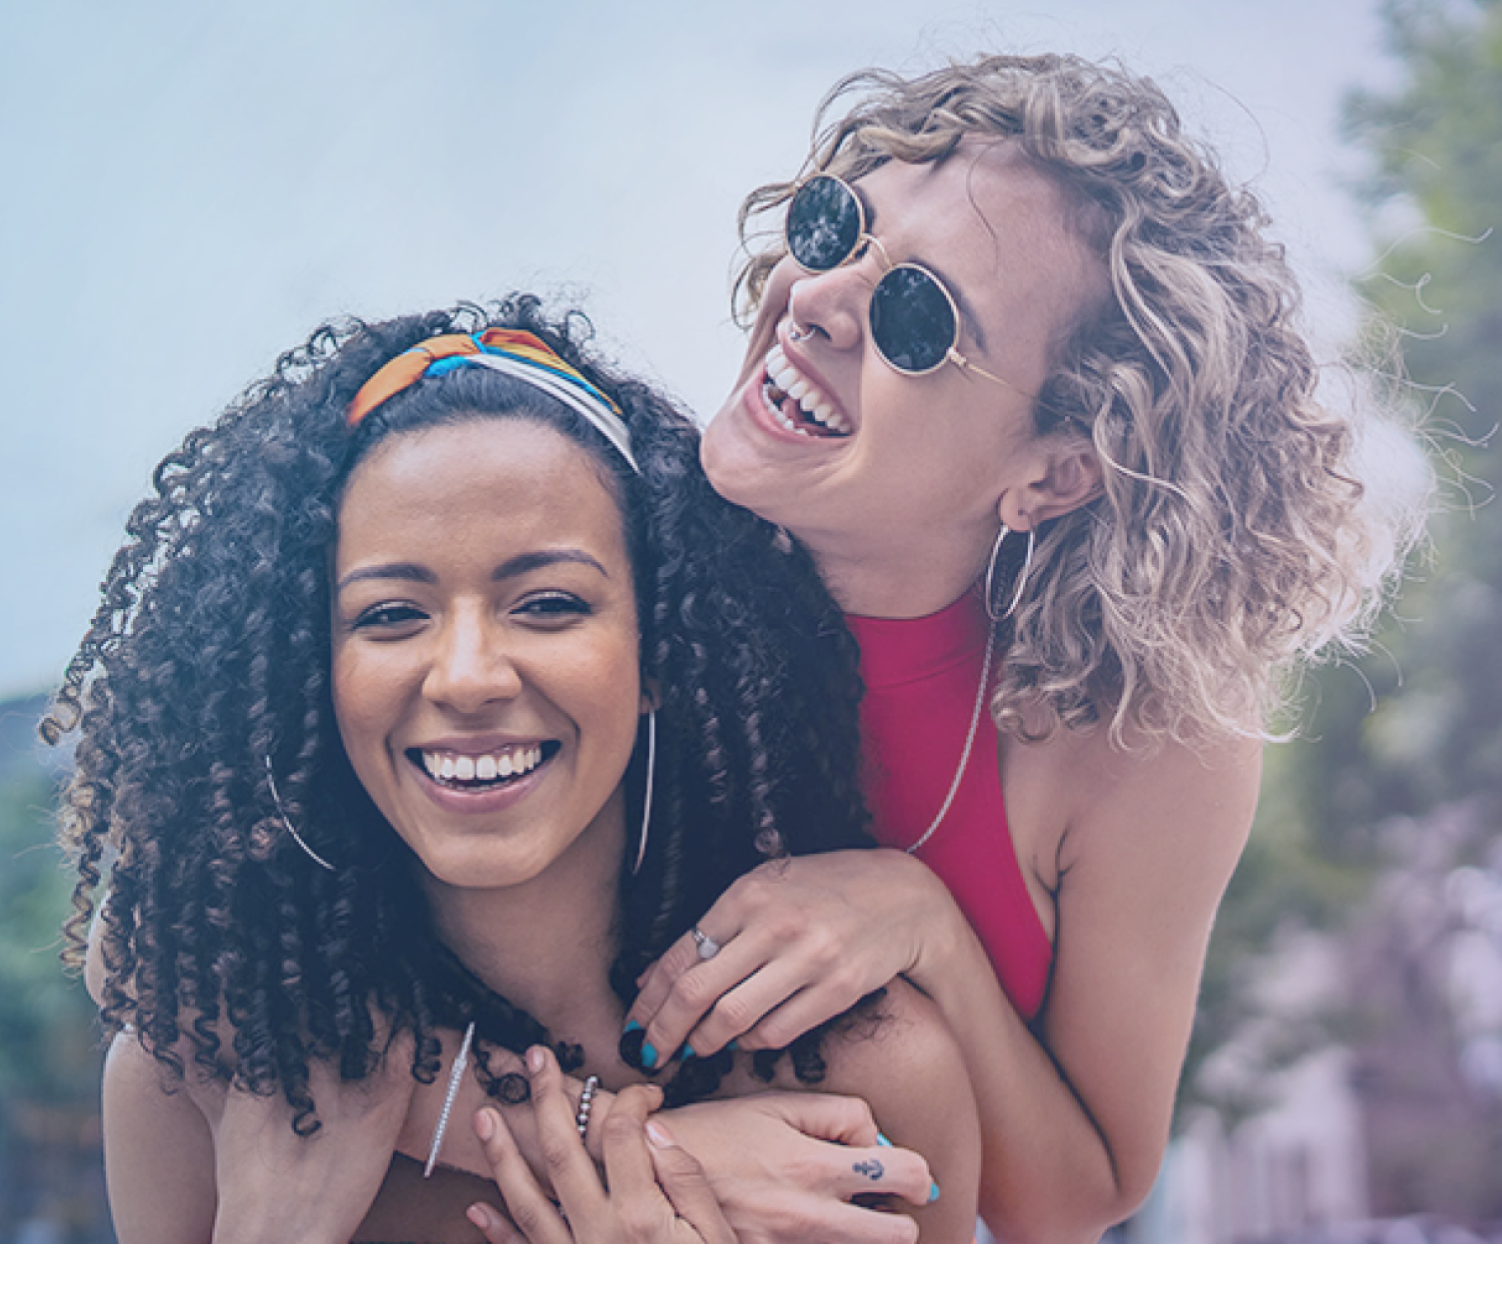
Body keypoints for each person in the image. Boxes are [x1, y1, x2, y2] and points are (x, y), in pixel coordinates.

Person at [626, 52, 1429, 1242]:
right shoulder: (584, 577)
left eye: (916, 316)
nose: (819, 297)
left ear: (1050, 471)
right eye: (835, 223)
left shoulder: (1137, 739)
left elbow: (1074, 1194)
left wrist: (926, 924)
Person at [48, 297, 979, 1243]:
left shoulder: (872, 1075)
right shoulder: (201, 1084)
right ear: (310, 677)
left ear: (660, 653)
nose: (467, 678)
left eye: (546, 603)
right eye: (389, 615)